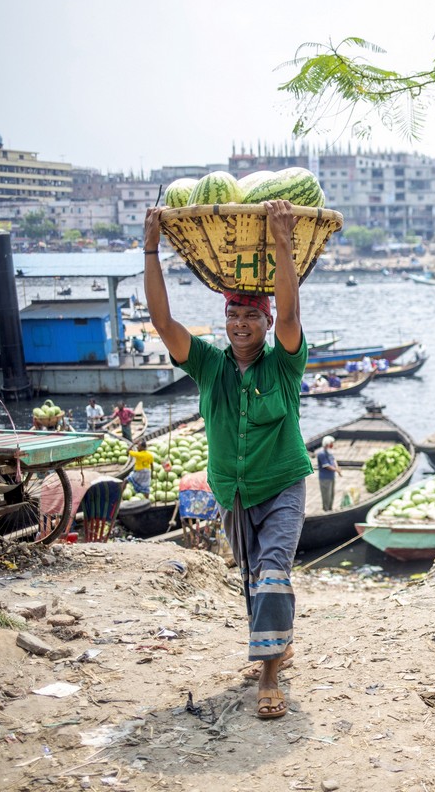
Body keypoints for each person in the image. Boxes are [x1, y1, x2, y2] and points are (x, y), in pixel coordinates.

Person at [143, 200, 311, 720]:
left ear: (264, 323)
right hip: (233, 491)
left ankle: (268, 676)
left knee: (273, 573)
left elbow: (290, 313)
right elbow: (161, 320)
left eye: (250, 316)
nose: (241, 325)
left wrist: (282, 242)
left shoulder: (284, 364)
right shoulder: (210, 366)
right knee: (251, 578)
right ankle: (275, 643)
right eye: (233, 315)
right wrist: (150, 246)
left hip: (282, 484)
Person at [315, 436, 341, 512]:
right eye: (331, 443)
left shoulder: (329, 452)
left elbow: (333, 460)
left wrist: (337, 468)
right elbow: (326, 466)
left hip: (331, 477)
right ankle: (326, 509)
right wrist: (336, 470)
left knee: (331, 494)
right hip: (325, 478)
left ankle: (330, 508)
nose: (332, 445)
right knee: (326, 495)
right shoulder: (321, 454)